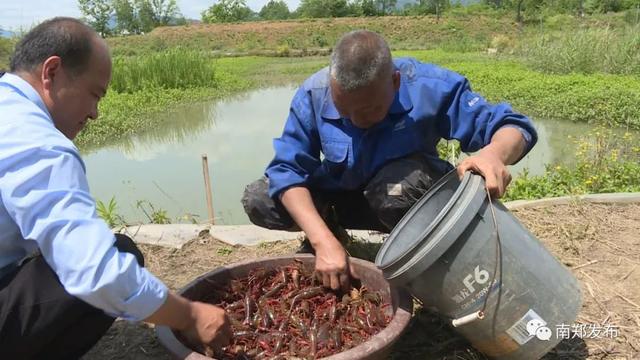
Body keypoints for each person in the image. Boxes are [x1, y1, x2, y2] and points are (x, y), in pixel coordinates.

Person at [0, 17, 231, 359]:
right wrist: (191, 314)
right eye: (95, 94)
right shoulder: (39, 143)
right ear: (51, 72)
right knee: (119, 254)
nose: (94, 114)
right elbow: (94, 271)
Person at [243, 30, 537, 292]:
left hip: (402, 201)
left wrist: (493, 153)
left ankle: (430, 257)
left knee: (395, 189)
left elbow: (513, 126)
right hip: (341, 198)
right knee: (261, 198)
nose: (357, 121)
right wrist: (321, 240)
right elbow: (287, 170)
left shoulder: (429, 87)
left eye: (370, 109)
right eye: (344, 111)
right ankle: (333, 235)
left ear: (395, 82)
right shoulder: (314, 93)